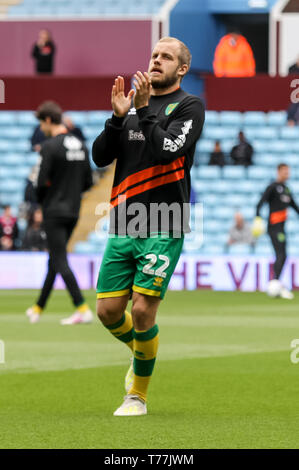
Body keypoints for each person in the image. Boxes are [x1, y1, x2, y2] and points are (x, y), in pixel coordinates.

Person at [92, 37, 205, 416]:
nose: (157, 61)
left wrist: (143, 111)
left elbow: (167, 150)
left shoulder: (190, 106)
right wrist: (118, 118)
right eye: (154, 55)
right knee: (108, 312)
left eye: (167, 57)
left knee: (142, 311)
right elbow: (100, 156)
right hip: (124, 219)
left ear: (182, 68)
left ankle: (136, 396)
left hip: (165, 219)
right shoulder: (130, 104)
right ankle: (143, 350)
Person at [26, 101, 93, 324]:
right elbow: (88, 181)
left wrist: (43, 201)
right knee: (55, 258)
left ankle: (82, 308)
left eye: (41, 124)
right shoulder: (81, 145)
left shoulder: (50, 146)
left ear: (47, 120)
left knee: (59, 259)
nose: (41, 130)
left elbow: (40, 182)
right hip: (73, 210)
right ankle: (38, 308)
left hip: (54, 210)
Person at [254, 163, 299, 299]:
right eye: (285, 171)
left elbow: (295, 206)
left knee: (282, 255)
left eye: (288, 172)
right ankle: (275, 284)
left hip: (281, 228)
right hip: (274, 227)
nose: (287, 174)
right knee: (281, 254)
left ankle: (276, 283)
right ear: (278, 172)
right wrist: (258, 219)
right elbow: (260, 203)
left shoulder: (286, 190)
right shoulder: (273, 187)